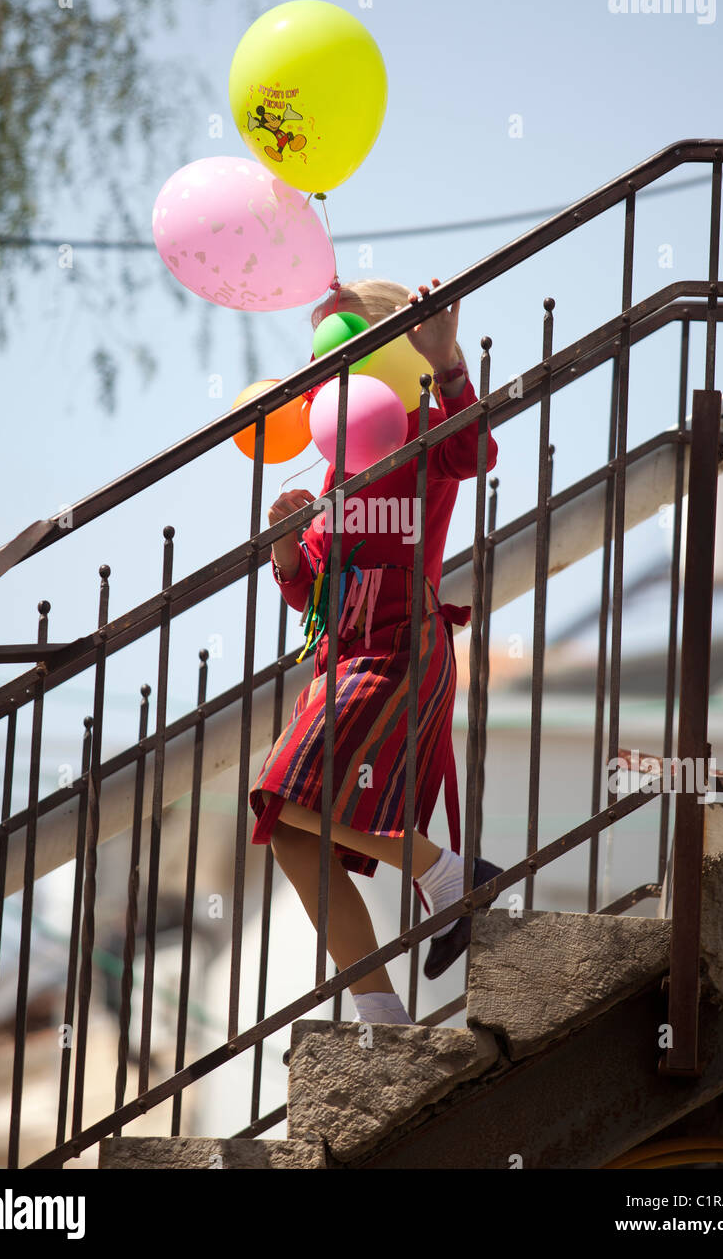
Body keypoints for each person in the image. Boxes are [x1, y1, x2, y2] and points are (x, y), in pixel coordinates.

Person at [249, 276, 502, 1030]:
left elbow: (477, 450)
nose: (331, 362)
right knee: (288, 828)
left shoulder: (425, 426)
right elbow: (311, 587)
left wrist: (448, 362)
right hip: (345, 653)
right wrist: (289, 544)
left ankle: (450, 875)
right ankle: (380, 1010)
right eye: (326, 344)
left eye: (347, 339)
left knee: (284, 795)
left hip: (399, 645)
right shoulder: (337, 457)